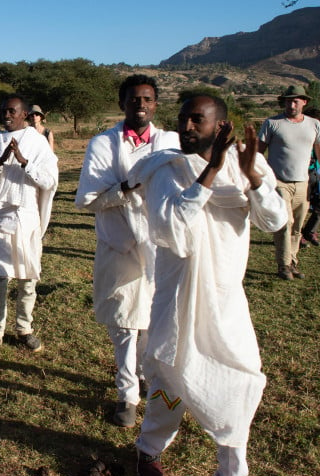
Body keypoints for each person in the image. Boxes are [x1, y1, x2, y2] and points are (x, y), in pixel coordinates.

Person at [126, 94, 287, 476]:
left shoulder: (246, 162)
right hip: (177, 292)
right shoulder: (167, 168)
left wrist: (253, 179)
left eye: (197, 120)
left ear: (221, 126)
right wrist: (209, 175)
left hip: (225, 295)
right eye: (183, 119)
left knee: (239, 373)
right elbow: (168, 230)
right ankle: (148, 452)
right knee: (169, 374)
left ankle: (231, 467)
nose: (186, 127)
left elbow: (275, 220)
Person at [74, 74, 179, 428]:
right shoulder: (103, 144)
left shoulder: (170, 142)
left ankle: (148, 377)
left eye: (147, 99)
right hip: (119, 244)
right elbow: (89, 199)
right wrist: (127, 187)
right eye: (134, 99)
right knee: (123, 324)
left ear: (156, 104)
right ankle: (127, 394)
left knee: (154, 319)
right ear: (122, 104)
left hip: (161, 246)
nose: (141, 105)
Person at [0, 94, 58, 358]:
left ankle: (24, 328)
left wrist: (23, 161)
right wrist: (0, 161)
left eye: (12, 111)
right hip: (1, 217)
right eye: (3, 111)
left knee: (27, 279)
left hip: (28, 217)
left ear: (24, 114)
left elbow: (49, 180)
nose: (6, 116)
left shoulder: (38, 142)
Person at [257, 85, 320, 280]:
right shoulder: (272, 123)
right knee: (285, 222)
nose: (291, 104)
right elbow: (257, 152)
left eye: (295, 101)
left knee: (298, 226)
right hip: (279, 182)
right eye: (287, 101)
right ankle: (283, 264)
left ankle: (292, 262)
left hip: (303, 182)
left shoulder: (314, 124)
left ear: (304, 102)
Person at [300, 107, 320, 248]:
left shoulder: (318, 136)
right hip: (300, 175)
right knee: (300, 207)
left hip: (315, 174)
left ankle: (309, 231)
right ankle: (296, 235)